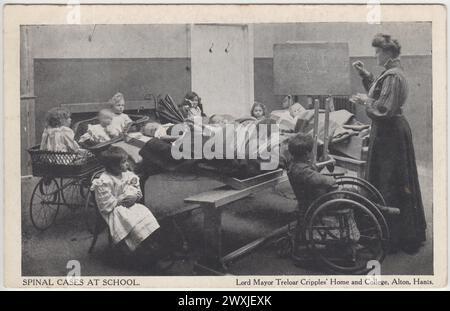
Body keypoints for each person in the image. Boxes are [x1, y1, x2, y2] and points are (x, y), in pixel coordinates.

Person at [351, 33, 426, 253]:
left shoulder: (393, 76)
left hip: (390, 134)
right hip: (390, 132)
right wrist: (365, 75)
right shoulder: (391, 73)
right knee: (389, 180)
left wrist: (366, 100)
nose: (375, 55)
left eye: (377, 51)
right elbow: (381, 93)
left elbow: (384, 109)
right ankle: (392, 232)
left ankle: (394, 237)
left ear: (388, 53)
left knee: (389, 181)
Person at [90, 146, 162, 258]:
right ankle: (135, 248)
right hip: (113, 209)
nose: (127, 164)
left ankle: (148, 242)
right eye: (124, 162)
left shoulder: (127, 175)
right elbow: (105, 204)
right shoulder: (104, 181)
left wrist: (134, 196)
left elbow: (135, 188)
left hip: (129, 204)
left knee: (143, 212)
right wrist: (120, 200)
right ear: (113, 166)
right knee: (127, 218)